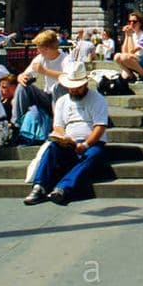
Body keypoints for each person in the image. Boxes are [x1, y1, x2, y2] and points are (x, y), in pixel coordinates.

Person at [24, 60, 109, 205]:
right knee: (51, 148)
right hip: (68, 141)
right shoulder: (62, 101)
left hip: (91, 142)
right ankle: (39, 186)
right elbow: (58, 126)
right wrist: (64, 138)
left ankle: (63, 188)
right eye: (71, 87)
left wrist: (86, 144)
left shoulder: (97, 99)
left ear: (85, 84)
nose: (73, 90)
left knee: (92, 155)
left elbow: (99, 127)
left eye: (77, 87)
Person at [12, 30, 68, 130]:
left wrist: (45, 71)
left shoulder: (66, 59)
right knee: (23, 87)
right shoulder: (40, 58)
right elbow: (26, 74)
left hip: (63, 99)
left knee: (57, 87)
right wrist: (21, 77)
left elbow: (68, 77)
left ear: (47, 48)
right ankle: (17, 125)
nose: (37, 50)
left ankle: (58, 126)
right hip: (47, 98)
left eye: (39, 47)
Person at [114, 12, 143, 82]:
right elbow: (124, 52)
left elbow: (131, 51)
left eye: (134, 22)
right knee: (117, 56)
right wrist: (127, 35)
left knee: (126, 57)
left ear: (140, 23)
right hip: (136, 60)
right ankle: (131, 76)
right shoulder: (133, 35)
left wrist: (129, 35)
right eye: (129, 22)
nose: (131, 24)